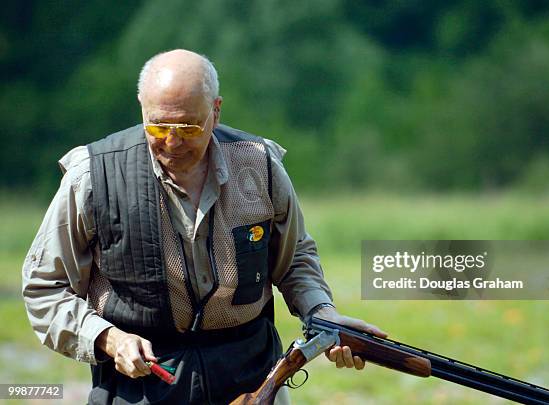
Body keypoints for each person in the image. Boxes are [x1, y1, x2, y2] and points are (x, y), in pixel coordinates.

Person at [22, 49, 386, 404]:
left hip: (252, 381)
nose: (172, 141)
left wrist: (323, 317)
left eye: (188, 126)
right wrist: (108, 339)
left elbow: (294, 260)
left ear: (216, 110)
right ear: (141, 108)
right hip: (139, 388)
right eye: (158, 125)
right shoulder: (92, 176)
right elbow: (44, 287)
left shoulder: (260, 165)